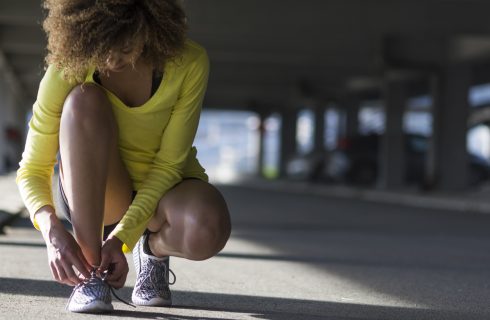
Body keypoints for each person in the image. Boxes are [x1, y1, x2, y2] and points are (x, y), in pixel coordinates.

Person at [16, 0, 231, 313]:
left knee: (208, 227)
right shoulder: (69, 67)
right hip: (100, 196)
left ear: (148, 26)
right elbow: (32, 168)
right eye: (100, 44)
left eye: (122, 42)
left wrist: (124, 239)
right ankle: (91, 275)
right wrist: (52, 232)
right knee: (83, 101)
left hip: (164, 191)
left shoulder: (189, 61)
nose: (109, 57)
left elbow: (169, 165)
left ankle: (153, 250)